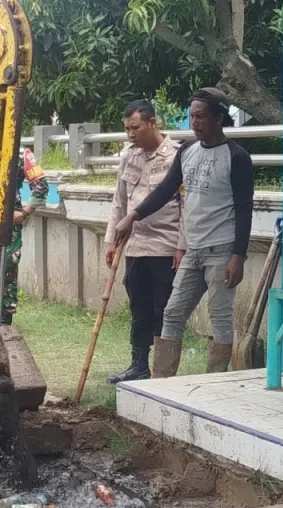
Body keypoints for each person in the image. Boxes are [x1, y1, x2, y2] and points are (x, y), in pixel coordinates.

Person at [113, 87, 254, 376]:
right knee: (172, 312)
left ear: (219, 118)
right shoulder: (187, 151)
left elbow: (244, 209)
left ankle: (216, 381)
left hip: (222, 250)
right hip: (193, 250)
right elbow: (166, 189)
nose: (194, 122)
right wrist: (133, 216)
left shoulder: (236, 157)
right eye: (191, 116)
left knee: (220, 317)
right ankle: (162, 381)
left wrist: (238, 255)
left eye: (200, 116)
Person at [104, 99, 185, 384]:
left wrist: (181, 245)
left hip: (166, 245)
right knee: (139, 308)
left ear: (152, 122)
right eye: (127, 129)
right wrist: (111, 241)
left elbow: (185, 205)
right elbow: (119, 201)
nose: (130, 134)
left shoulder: (176, 155)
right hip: (135, 246)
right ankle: (138, 364)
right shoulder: (129, 155)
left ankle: (163, 371)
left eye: (135, 127)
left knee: (163, 308)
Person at [2, 146, 50, 324]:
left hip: (8, 223)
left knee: (8, 268)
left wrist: (24, 213)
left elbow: (41, 185)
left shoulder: (22, 154)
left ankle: (4, 319)